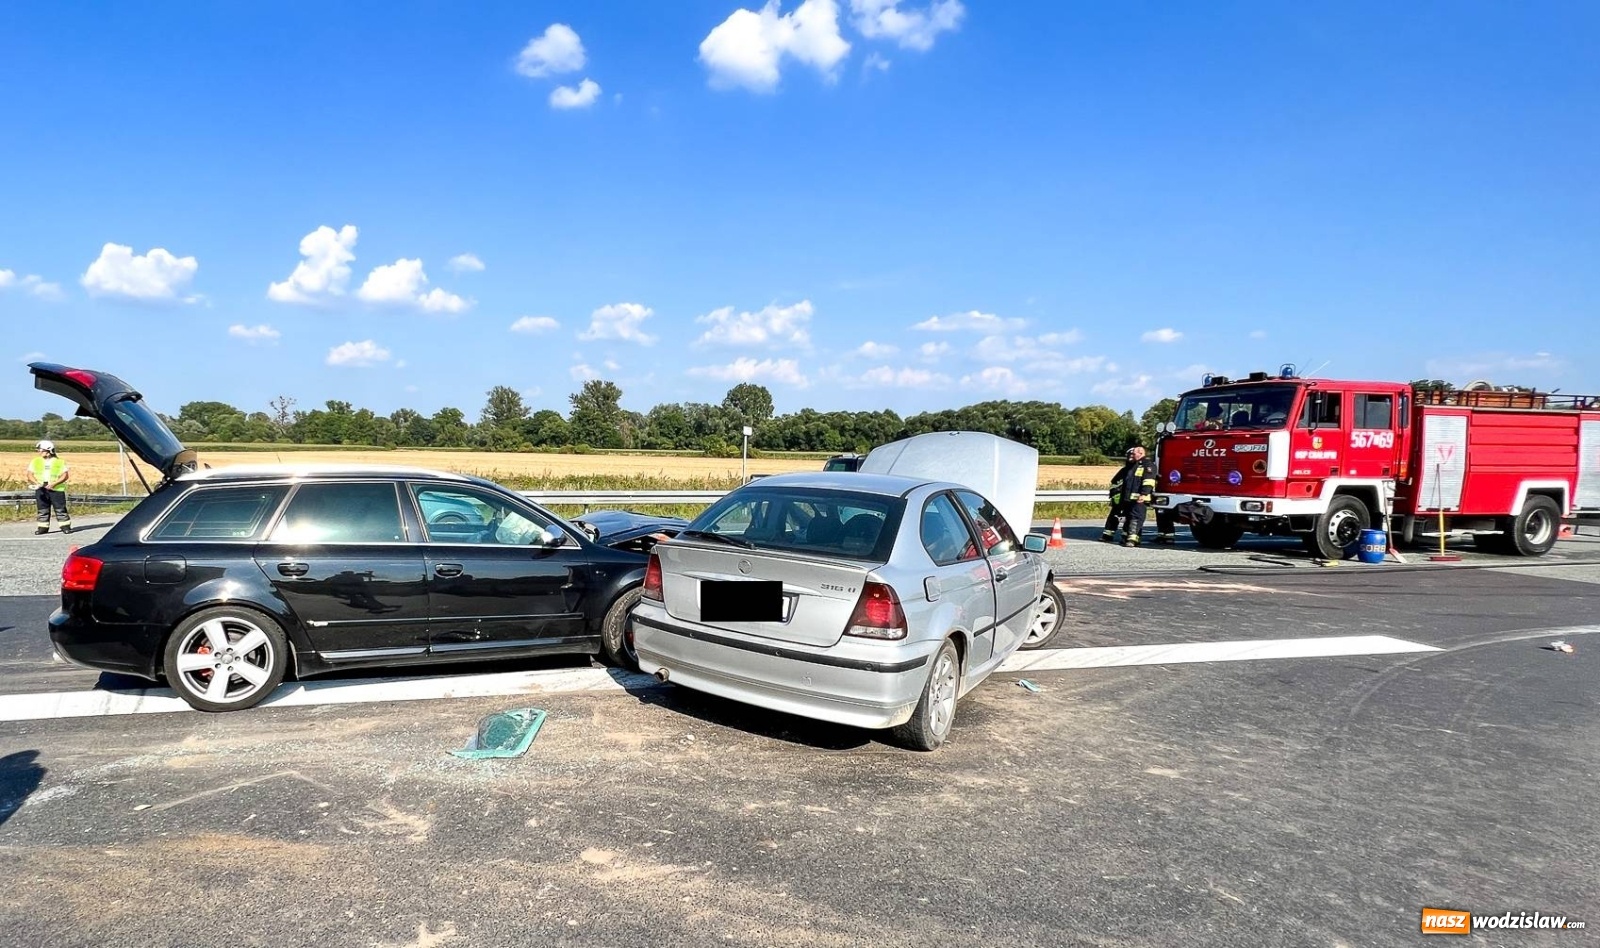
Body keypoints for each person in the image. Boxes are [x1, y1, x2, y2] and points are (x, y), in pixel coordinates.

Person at [1101, 445, 1157, 547]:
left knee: (1136, 519)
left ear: (1141, 453)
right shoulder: (1131, 467)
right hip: (1128, 499)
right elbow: (1120, 482)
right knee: (1128, 518)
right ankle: (1126, 537)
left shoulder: (1148, 466)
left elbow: (1149, 481)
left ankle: (1133, 540)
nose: (1131, 456)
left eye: (1133, 453)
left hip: (1140, 499)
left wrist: (1143, 494)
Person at [28, 439, 72, 535]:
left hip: (56, 489)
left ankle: (65, 527)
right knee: (42, 509)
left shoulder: (59, 462)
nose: (39, 452)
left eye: (41, 450)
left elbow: (65, 475)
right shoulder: (35, 461)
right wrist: (37, 483)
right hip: (41, 488)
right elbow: (30, 474)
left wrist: (54, 484)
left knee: (60, 509)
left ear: (49, 451)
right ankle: (42, 528)